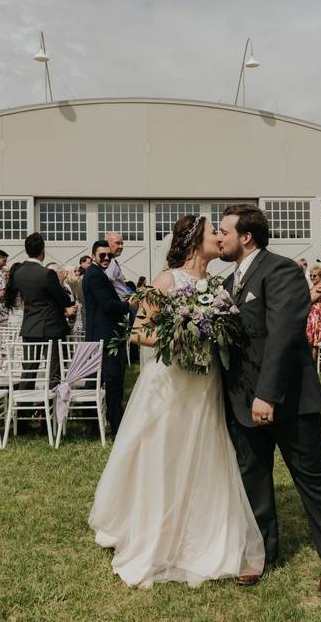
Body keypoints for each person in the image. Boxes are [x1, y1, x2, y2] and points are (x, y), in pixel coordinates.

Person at [88, 213, 265, 590]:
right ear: (192, 240)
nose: (219, 237)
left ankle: (203, 532)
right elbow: (139, 332)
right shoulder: (166, 280)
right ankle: (157, 533)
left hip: (205, 384)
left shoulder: (217, 285)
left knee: (204, 453)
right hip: (172, 383)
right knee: (165, 453)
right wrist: (183, 334)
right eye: (211, 233)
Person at [217, 204, 321, 595]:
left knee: (311, 478)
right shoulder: (227, 285)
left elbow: (285, 335)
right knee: (253, 478)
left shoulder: (282, 270)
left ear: (246, 237)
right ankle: (261, 552)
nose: (218, 238)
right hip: (241, 399)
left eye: (223, 231)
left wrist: (266, 395)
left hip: (287, 399)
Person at [5, 233, 76, 387]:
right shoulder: (47, 273)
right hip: (51, 326)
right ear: (42, 249)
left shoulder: (18, 272)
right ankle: (50, 407)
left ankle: (25, 409)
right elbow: (63, 299)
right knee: (54, 371)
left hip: (30, 326)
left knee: (29, 371)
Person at [82, 240, 134, 433]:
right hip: (105, 336)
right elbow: (108, 305)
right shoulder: (95, 275)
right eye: (101, 255)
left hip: (103, 334)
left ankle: (97, 423)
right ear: (93, 255)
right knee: (112, 381)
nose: (105, 258)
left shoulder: (97, 274)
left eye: (108, 255)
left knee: (104, 380)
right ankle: (116, 424)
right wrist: (130, 305)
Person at [306, 266, 321, 360]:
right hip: (311, 312)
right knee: (310, 337)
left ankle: (313, 362)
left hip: (317, 313)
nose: (312, 278)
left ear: (320, 276)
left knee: (315, 339)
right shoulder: (313, 286)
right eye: (310, 275)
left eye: (314, 276)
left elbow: (310, 299)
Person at [103, 231, 130, 301]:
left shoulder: (112, 261)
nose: (121, 246)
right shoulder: (109, 262)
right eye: (117, 243)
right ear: (107, 244)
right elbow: (107, 284)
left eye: (122, 244)